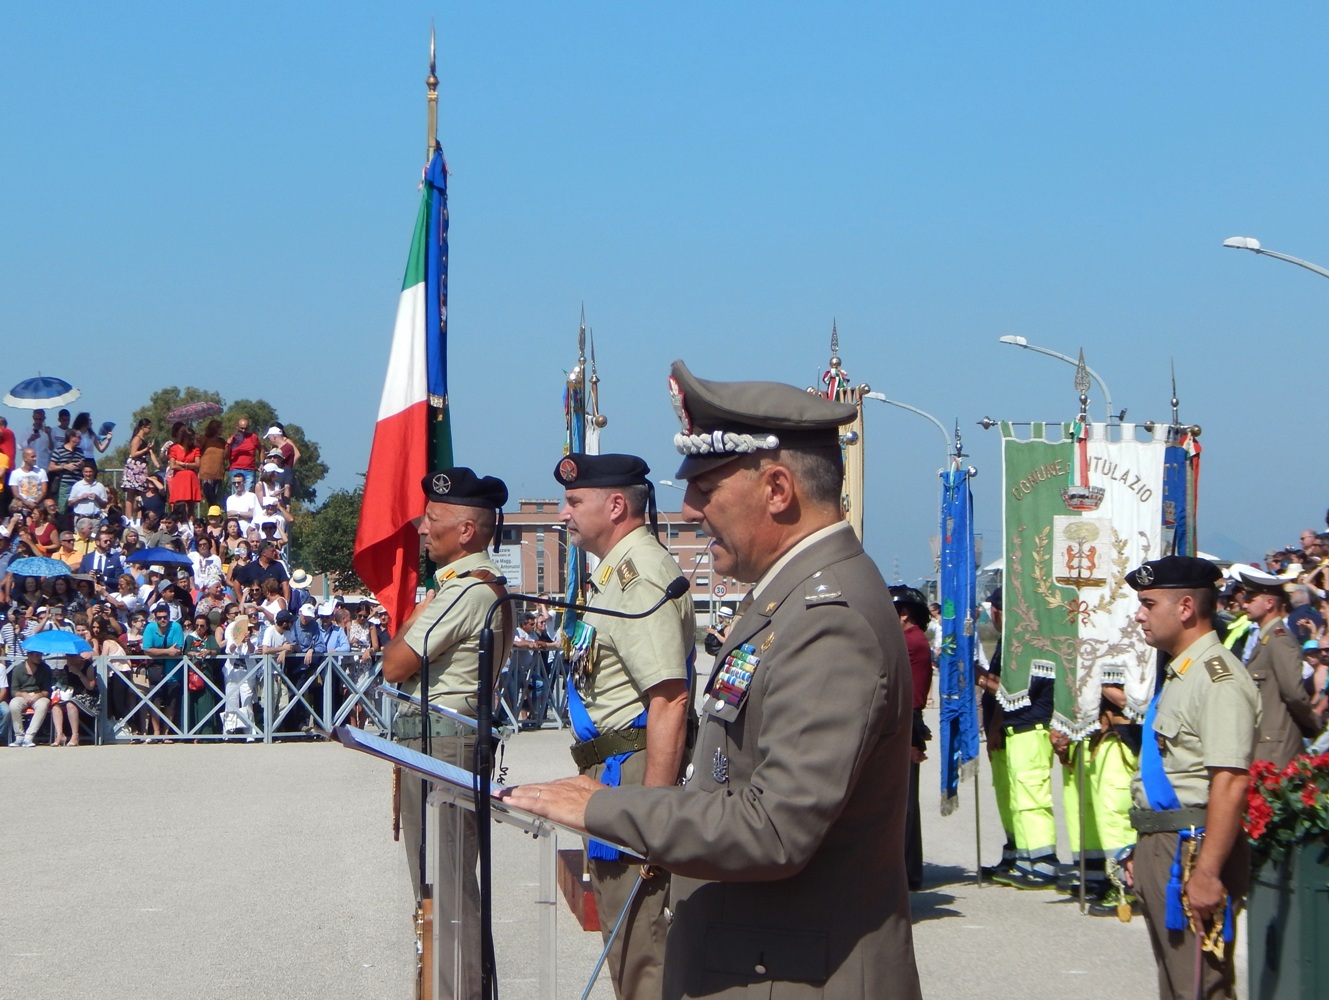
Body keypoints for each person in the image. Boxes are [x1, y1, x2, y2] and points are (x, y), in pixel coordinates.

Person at [505, 361, 922, 1000]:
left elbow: (773, 828)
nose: (691, 509)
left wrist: (602, 807)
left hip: (796, 972)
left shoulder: (828, 621)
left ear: (778, 489)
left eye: (705, 487)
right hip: (762, 955)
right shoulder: (787, 599)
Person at [378, 467, 511, 1000]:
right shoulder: (464, 586)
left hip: (443, 746)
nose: (422, 529)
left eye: (433, 520)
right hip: (439, 742)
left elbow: (394, 664)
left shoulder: (462, 593)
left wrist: (416, 617)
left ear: (467, 531)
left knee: (446, 886)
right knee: (439, 883)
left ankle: (457, 991)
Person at [1124, 555, 1260, 1000]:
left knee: (1202, 986)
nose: (1139, 614)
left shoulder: (1218, 679)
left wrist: (1207, 872)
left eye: (1148, 603)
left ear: (1185, 608)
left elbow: (1231, 781)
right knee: (1179, 986)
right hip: (1167, 844)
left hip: (1193, 850)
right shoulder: (1181, 671)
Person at [1238, 568, 1323, 768]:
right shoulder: (1266, 639)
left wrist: (1312, 724)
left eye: (1251, 598)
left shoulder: (1279, 641)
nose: (1245, 604)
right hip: (1265, 743)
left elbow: (1293, 693)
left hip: (1277, 749)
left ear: (1269, 603)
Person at [892, 584, 933, 892]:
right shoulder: (910, 639)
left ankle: (904, 871)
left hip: (906, 718)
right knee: (903, 800)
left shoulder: (909, 641)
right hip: (906, 717)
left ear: (904, 615)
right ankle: (907, 869)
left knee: (901, 802)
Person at [9, 648, 53, 747]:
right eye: (37, 655)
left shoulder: (45, 668)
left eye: (40, 655)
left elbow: (47, 691)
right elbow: (13, 691)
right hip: (22, 695)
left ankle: (29, 736)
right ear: (29, 655)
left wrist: (39, 695)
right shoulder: (18, 669)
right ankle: (19, 736)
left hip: (39, 695)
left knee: (43, 705)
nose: (39, 658)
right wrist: (23, 694)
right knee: (13, 704)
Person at [226, 418, 261, 491]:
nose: (244, 430)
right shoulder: (233, 438)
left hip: (249, 470)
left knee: (247, 493)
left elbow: (261, 449)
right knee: (236, 493)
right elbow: (225, 456)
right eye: (241, 428)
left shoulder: (253, 437)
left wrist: (261, 463)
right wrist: (228, 444)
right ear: (237, 427)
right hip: (235, 469)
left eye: (246, 428)